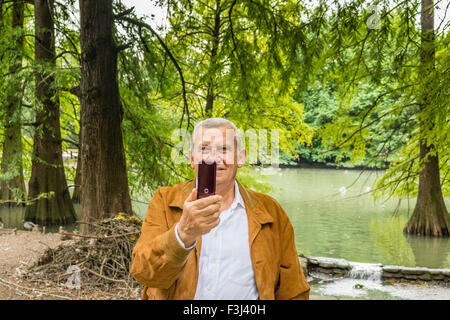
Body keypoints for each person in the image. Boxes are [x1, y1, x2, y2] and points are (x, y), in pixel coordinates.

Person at [130, 117, 310, 300]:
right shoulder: (164, 202)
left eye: (224, 149)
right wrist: (183, 233)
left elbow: (294, 292)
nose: (214, 157)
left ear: (240, 158)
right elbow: (143, 272)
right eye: (205, 148)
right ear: (192, 159)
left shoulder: (272, 212)